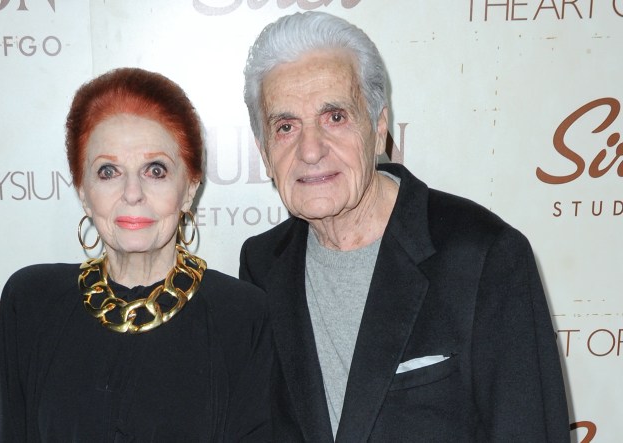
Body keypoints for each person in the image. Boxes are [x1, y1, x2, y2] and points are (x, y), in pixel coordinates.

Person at [239, 11, 569, 442]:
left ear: (378, 128)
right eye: (286, 127)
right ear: (264, 152)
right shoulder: (262, 266)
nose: (311, 150)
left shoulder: (485, 256)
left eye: (335, 117)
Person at [0, 67, 272, 442]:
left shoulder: (241, 317)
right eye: (108, 171)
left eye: (155, 170)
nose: (132, 192)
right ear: (83, 190)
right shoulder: (31, 303)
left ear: (190, 188)